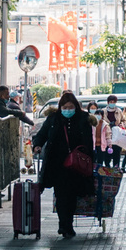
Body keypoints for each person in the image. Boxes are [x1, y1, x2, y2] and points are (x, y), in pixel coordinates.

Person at [30, 90, 98, 239]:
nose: (67, 110)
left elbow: (88, 142)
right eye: (65, 107)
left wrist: (90, 160)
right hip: (57, 163)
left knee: (72, 195)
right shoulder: (54, 119)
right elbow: (42, 134)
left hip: (76, 165)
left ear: (76, 106)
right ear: (60, 107)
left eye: (70, 107)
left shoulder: (84, 119)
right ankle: (63, 224)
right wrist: (37, 145)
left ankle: (68, 224)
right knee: (60, 195)